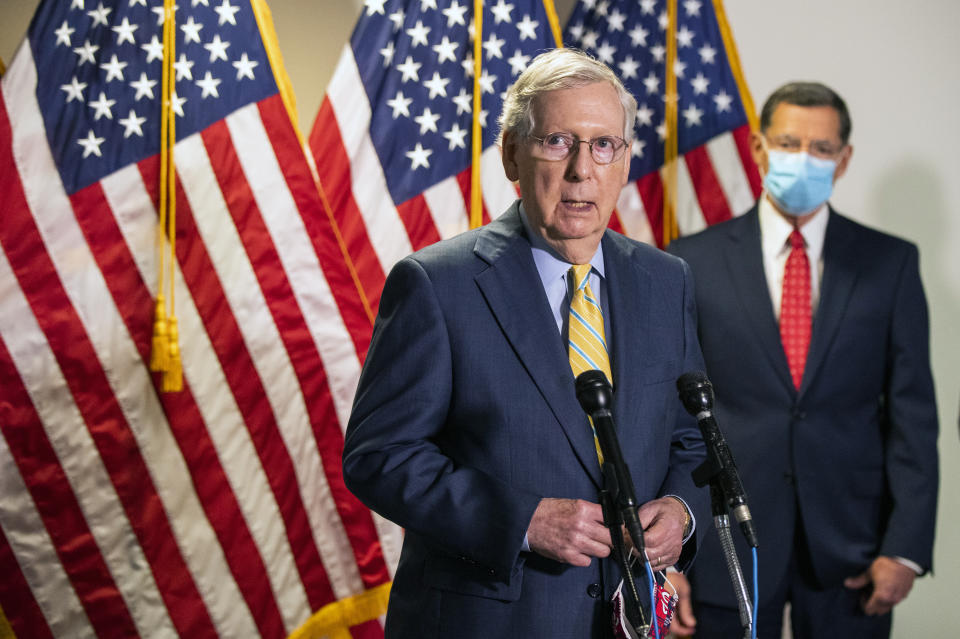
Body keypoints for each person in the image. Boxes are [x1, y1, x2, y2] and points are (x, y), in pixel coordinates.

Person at [342, 48, 709, 638]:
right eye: (558, 141)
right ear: (512, 153)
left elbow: (691, 440)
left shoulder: (666, 281)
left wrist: (684, 512)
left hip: (625, 620)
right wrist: (524, 521)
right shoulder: (437, 283)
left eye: (603, 145)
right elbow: (380, 457)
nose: (581, 170)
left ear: (624, 159)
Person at [667, 81, 939, 638]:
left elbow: (913, 418)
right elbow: (666, 418)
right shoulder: (688, 263)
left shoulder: (891, 264)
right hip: (722, 549)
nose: (803, 160)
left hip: (854, 555)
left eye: (821, 148)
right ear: (758, 147)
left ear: (845, 160)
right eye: (789, 143)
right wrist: (669, 555)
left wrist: (906, 549)